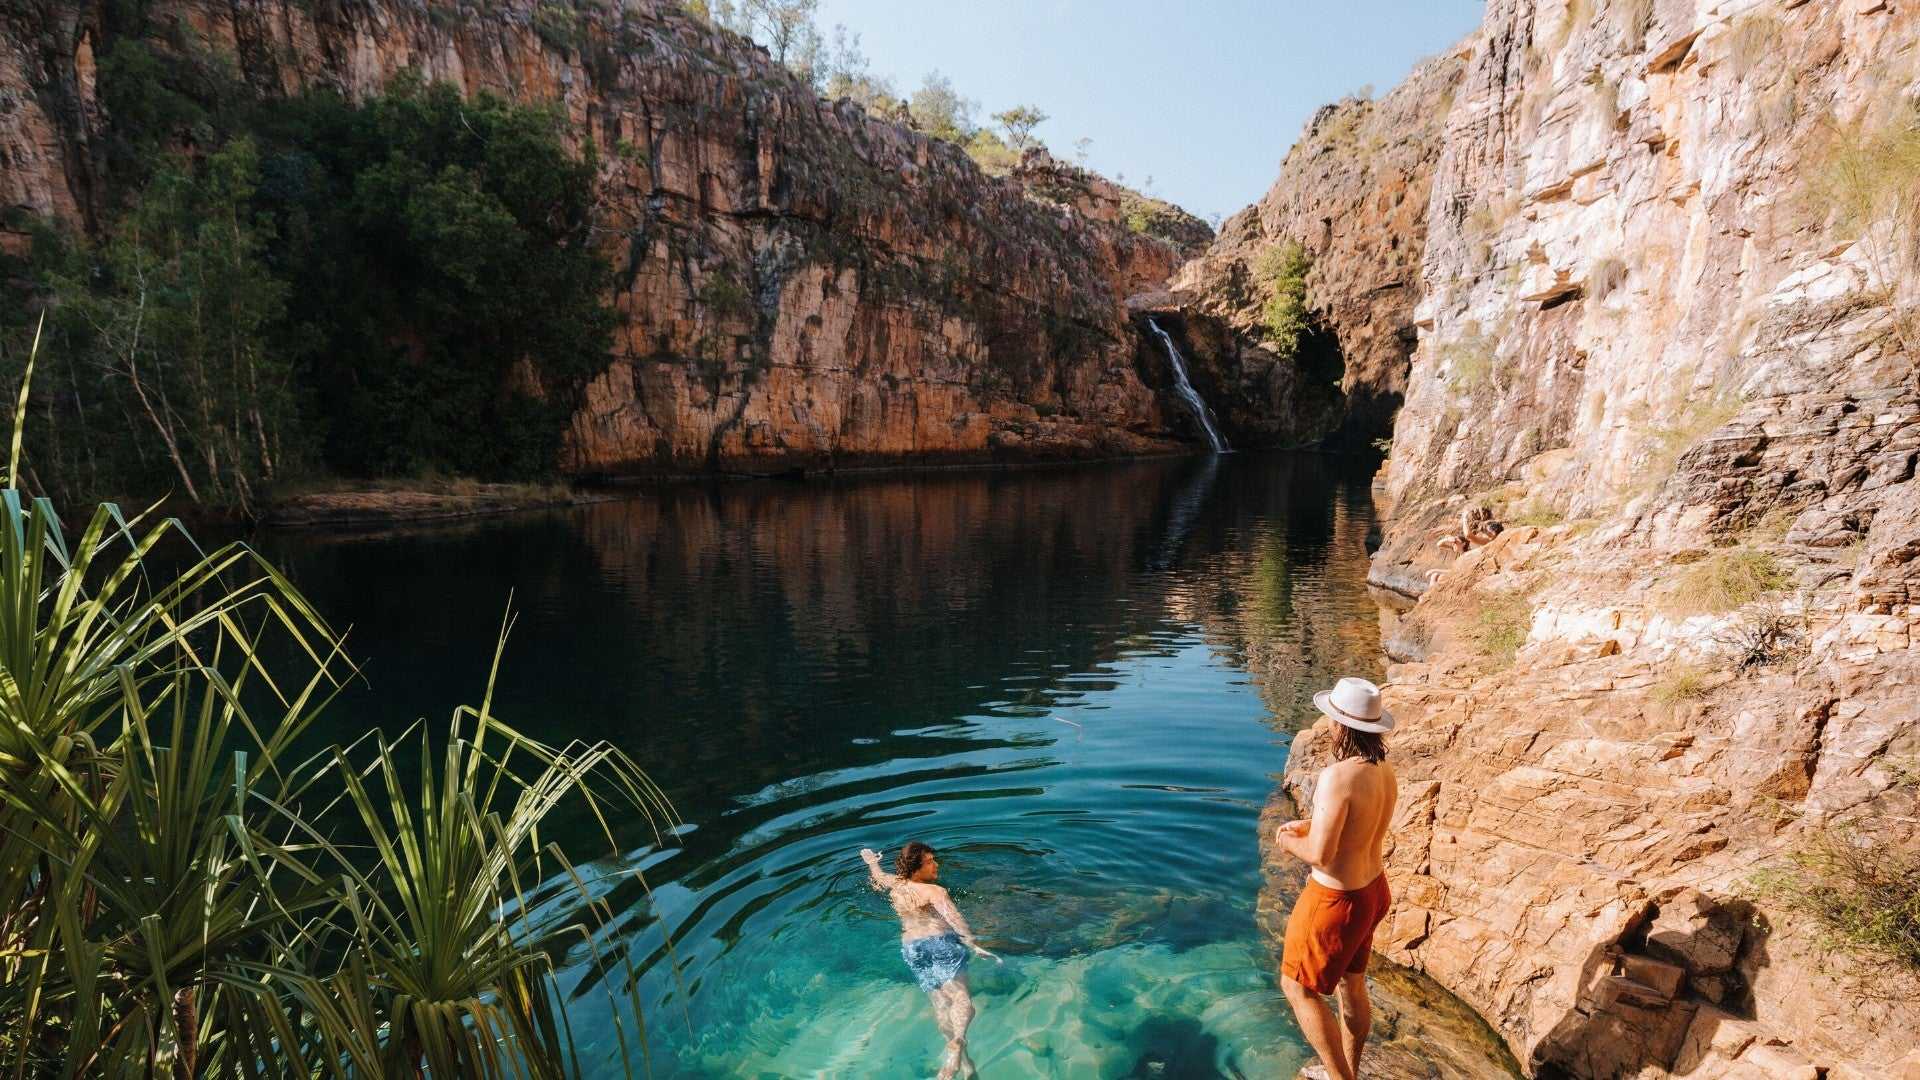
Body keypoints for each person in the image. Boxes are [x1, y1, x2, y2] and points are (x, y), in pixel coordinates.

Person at [1273, 677, 1399, 1080]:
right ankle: (1352, 1071)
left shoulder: (1338, 776)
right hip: (1373, 892)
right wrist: (1311, 822)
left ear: (1341, 727)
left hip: (1336, 901)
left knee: (1297, 988)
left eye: (1330, 719)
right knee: (1352, 982)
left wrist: (1286, 840)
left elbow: (1321, 854)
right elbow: (1359, 821)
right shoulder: (1383, 771)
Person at [861, 842, 999, 1079]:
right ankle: (959, 1040)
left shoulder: (896, 885)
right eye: (930, 861)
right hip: (939, 943)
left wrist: (872, 862)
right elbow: (954, 919)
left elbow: (879, 876)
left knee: (940, 1004)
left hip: (911, 948)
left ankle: (962, 1062)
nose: (936, 864)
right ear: (916, 868)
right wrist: (973, 944)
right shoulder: (935, 891)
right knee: (961, 998)